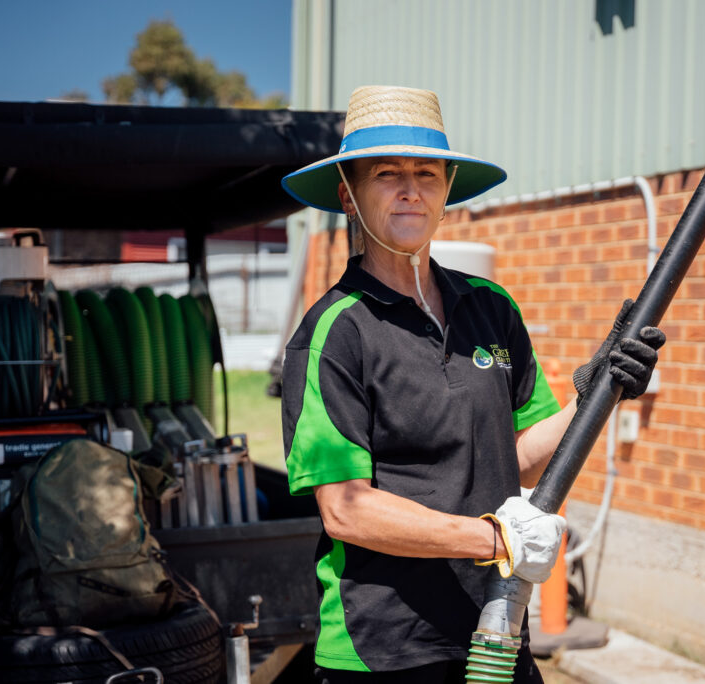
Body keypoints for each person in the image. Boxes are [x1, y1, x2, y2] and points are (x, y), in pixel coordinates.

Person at [280, 85, 665, 683]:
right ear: (348, 196)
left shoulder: (490, 306)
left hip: (495, 626)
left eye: (427, 174)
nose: (411, 189)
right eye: (387, 173)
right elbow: (346, 512)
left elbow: (519, 460)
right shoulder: (334, 331)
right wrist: (492, 539)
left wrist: (598, 396)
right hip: (384, 647)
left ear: (446, 192)